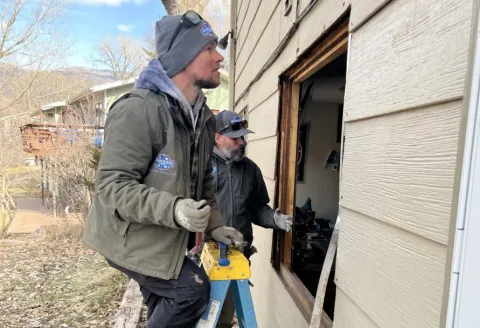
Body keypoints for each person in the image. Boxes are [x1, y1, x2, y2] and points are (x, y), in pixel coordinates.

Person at [83, 11, 243, 328]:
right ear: (183, 57)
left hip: (160, 237)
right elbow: (113, 187)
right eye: (209, 49)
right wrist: (175, 210)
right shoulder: (139, 110)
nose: (220, 56)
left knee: (165, 304)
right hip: (125, 236)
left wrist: (214, 226)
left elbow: (204, 187)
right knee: (191, 291)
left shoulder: (205, 120)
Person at [212, 110, 293, 328]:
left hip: (237, 255)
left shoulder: (250, 170)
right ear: (217, 137)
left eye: (243, 137)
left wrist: (274, 219)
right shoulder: (200, 168)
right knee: (198, 311)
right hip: (203, 253)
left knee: (223, 317)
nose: (242, 142)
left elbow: (257, 208)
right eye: (235, 137)